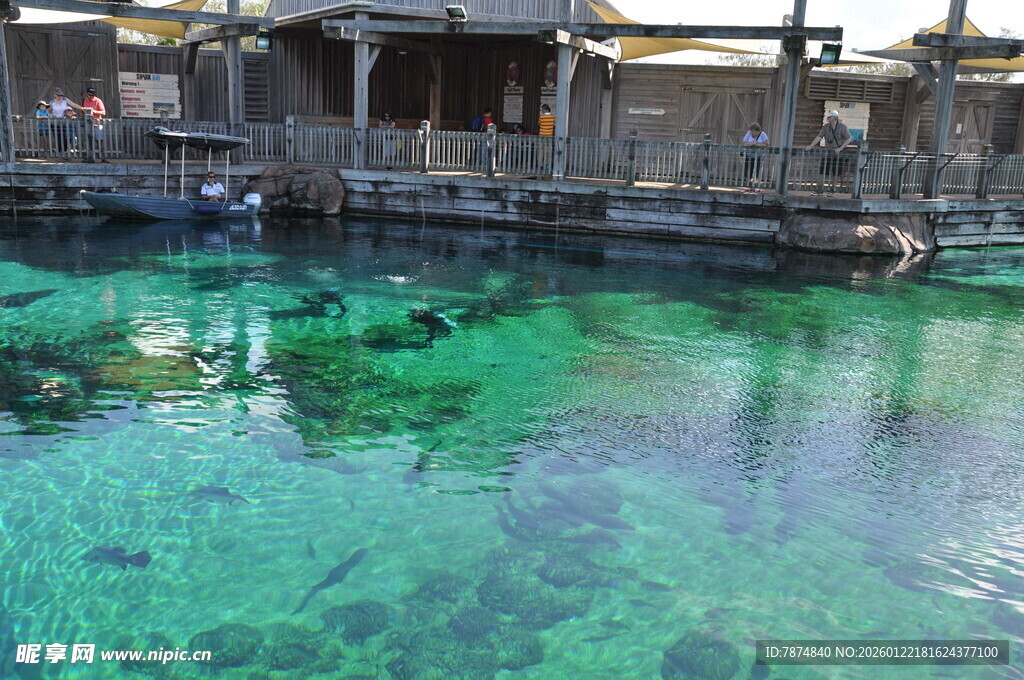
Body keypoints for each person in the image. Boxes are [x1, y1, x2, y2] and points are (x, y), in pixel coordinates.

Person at [804, 109, 851, 196]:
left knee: (835, 173)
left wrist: (840, 148)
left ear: (834, 118)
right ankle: (819, 191)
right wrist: (811, 146)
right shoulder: (826, 127)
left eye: (829, 117)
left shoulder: (843, 127)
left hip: (838, 153)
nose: (828, 118)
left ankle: (832, 191)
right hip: (827, 152)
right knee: (822, 171)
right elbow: (819, 136)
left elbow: (848, 139)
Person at [741, 122, 769, 193]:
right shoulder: (749, 133)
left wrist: (758, 144)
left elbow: (766, 143)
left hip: (758, 156)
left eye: (753, 131)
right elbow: (743, 143)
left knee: (757, 171)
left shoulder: (762, 134)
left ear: (757, 130)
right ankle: (748, 186)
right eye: (751, 131)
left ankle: (756, 187)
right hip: (748, 156)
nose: (752, 133)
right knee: (748, 171)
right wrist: (751, 143)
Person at [81, 87, 106, 162]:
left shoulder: (98, 101)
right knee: (87, 141)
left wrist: (93, 111)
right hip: (87, 124)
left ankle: (103, 157)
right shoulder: (83, 101)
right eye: (90, 95)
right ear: (87, 94)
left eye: (93, 95)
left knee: (100, 141)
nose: (92, 96)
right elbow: (82, 112)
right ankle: (87, 157)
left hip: (97, 124)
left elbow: (103, 112)